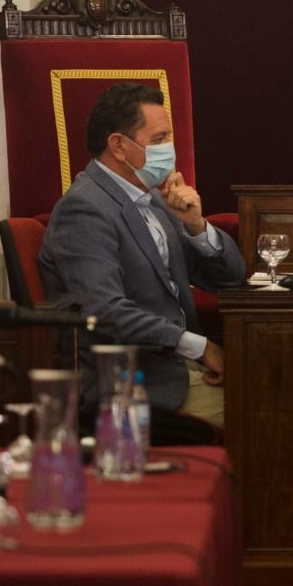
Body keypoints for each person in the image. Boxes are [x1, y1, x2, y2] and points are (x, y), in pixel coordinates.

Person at [40, 82, 246, 430]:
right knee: (269, 415)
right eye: (159, 139)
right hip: (137, 384)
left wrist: (197, 226)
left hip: (181, 369)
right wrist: (199, 347)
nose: (170, 149)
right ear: (119, 146)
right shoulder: (85, 208)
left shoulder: (152, 199)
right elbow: (104, 311)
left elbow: (230, 278)